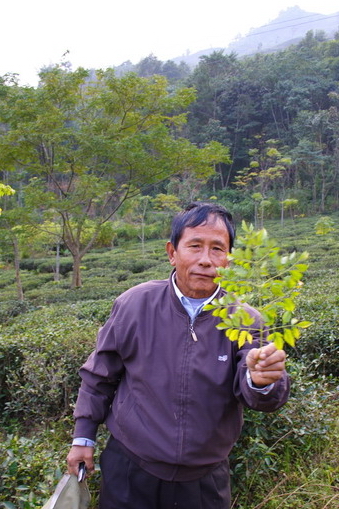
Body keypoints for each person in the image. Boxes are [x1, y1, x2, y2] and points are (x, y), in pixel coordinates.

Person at [67, 202, 289, 509]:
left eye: (217, 249)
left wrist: (262, 381)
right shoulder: (135, 305)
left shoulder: (246, 320)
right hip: (130, 469)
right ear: (172, 252)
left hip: (203, 480)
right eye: (194, 246)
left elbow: (261, 397)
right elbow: (98, 376)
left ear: (230, 258)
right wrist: (83, 437)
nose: (206, 260)